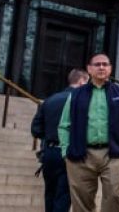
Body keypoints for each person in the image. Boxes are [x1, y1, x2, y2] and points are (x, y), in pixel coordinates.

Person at [58, 54, 119, 212]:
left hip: (113, 155)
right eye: (97, 64)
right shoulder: (75, 94)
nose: (101, 67)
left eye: (105, 64)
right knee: (81, 203)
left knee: (115, 197)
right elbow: (64, 125)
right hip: (80, 155)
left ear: (110, 69)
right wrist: (65, 152)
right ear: (89, 69)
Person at [31, 68, 89, 212]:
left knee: (50, 196)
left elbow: (36, 130)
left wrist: (51, 134)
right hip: (69, 154)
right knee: (63, 198)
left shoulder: (50, 100)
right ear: (82, 81)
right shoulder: (82, 101)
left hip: (49, 153)